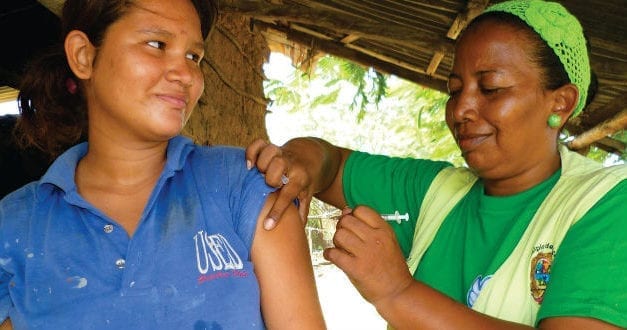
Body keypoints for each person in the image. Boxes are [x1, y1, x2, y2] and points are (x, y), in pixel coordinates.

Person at [246, 0, 627, 328]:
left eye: (490, 88)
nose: (461, 109)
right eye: (455, 90)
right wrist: (296, 160)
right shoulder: (436, 192)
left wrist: (398, 292)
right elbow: (329, 159)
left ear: (559, 103)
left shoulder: (603, 201)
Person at [0, 0, 326, 329]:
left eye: (193, 56)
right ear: (84, 55)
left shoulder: (244, 185)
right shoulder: (14, 227)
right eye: (157, 44)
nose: (185, 74)